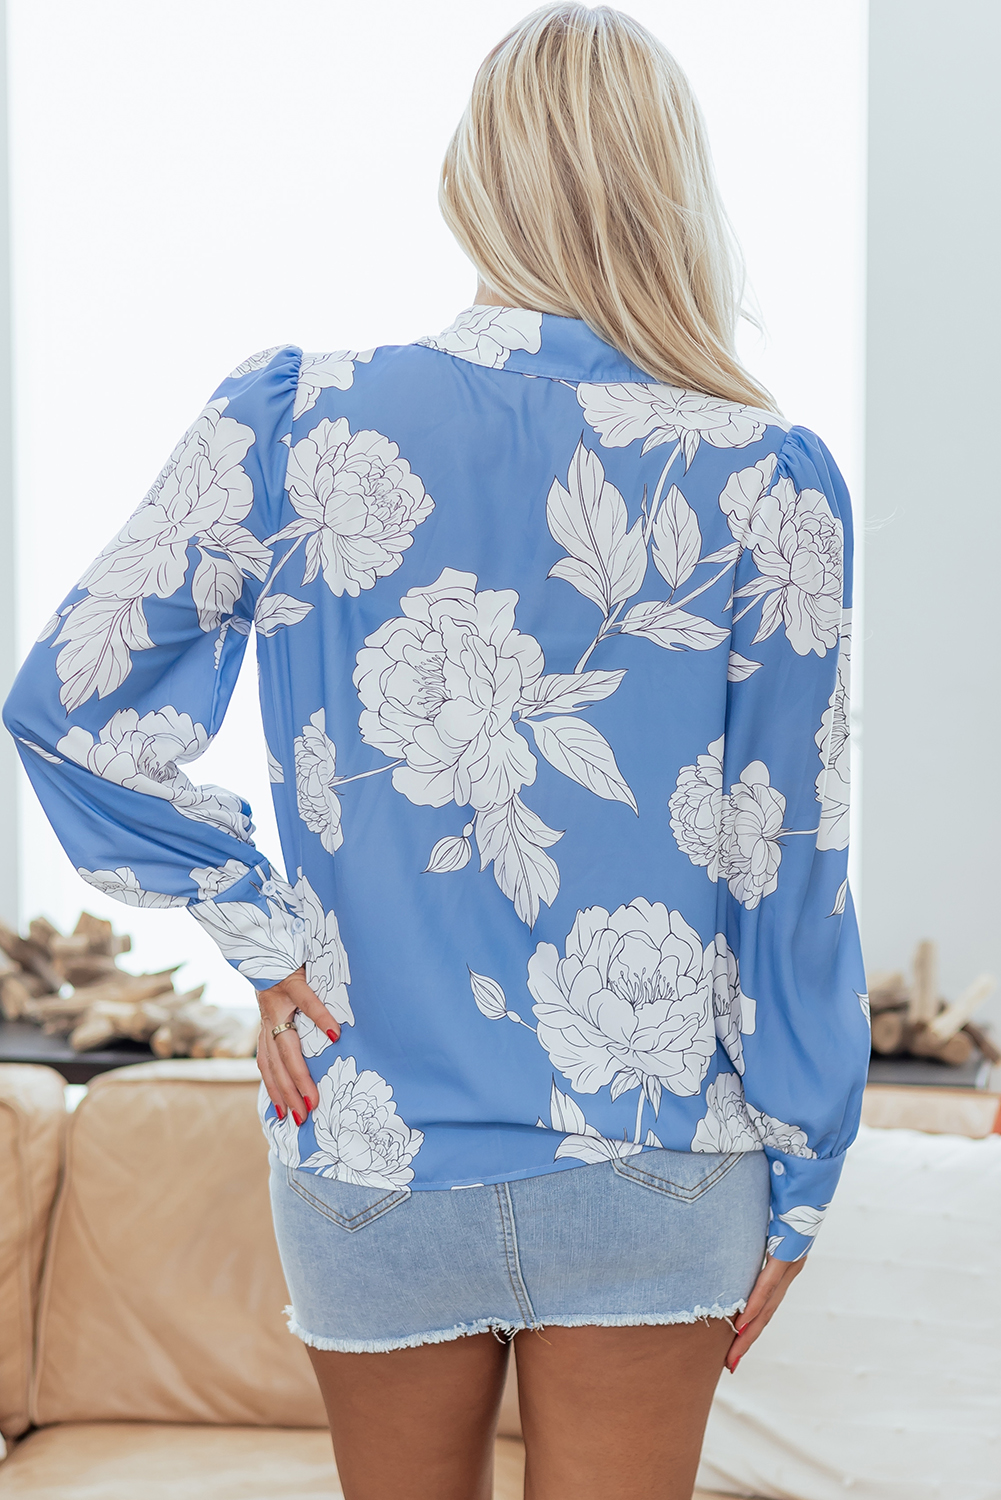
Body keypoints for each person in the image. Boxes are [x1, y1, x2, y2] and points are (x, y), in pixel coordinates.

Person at [3, 5, 870, 1497]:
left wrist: (263, 932)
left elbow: (68, 705)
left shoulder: (297, 421)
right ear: (673, 188)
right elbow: (784, 860)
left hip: (372, 1141)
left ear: (473, 178)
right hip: (661, 1155)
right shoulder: (766, 477)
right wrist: (805, 1167)